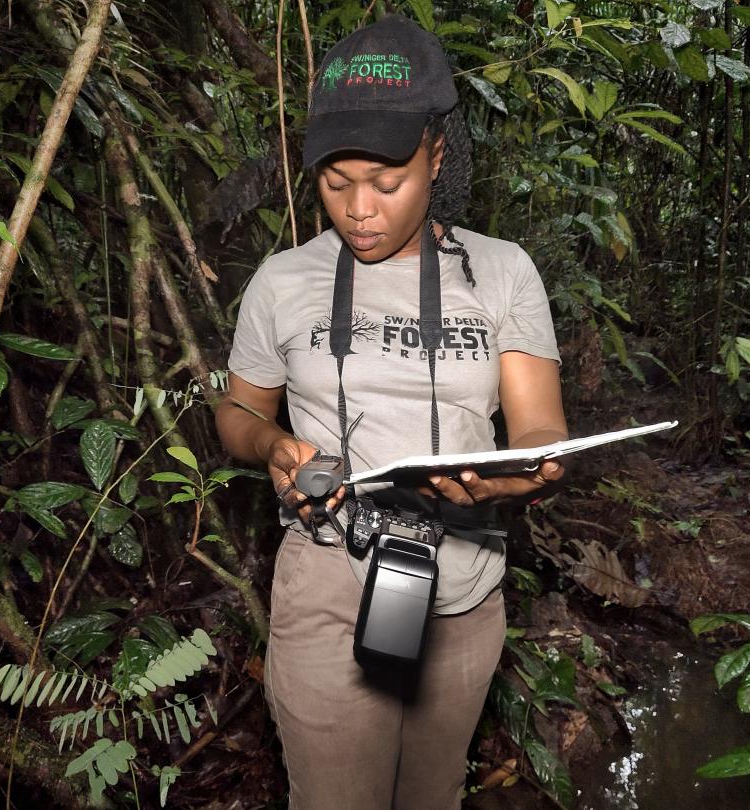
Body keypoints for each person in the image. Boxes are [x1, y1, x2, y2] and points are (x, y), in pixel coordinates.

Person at [215, 15, 569, 810]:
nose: (358, 211)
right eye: (336, 185)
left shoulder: (504, 273)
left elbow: (541, 428)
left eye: (386, 182)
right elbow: (236, 414)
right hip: (329, 574)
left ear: (437, 158)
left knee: (432, 794)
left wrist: (523, 474)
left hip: (464, 589)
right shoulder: (282, 282)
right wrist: (273, 443)